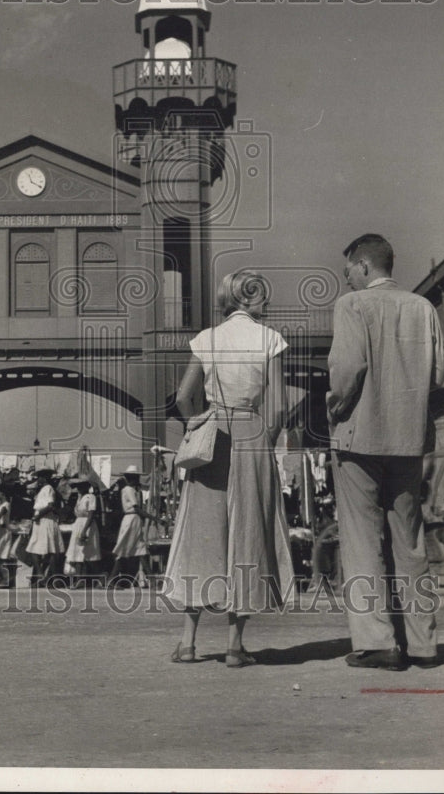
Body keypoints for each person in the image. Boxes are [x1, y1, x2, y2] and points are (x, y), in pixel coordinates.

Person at [327, 234, 444, 671]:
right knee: (410, 542)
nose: (347, 278)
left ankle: (378, 642)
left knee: (361, 542)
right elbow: (437, 373)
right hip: (409, 439)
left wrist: (334, 408)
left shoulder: (352, 306)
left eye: (348, 270)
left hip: (359, 436)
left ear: (363, 265)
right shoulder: (423, 307)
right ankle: (423, 643)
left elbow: (347, 370)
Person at [164, 270, 294, 666]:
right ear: (250, 299)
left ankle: (188, 642)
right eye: (262, 295)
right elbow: (278, 409)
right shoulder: (269, 339)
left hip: (213, 434)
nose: (267, 302)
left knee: (202, 535)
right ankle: (235, 645)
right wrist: (263, 440)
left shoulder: (207, 338)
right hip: (252, 432)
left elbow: (183, 397)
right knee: (248, 534)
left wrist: (196, 423)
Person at [108, 466, 157, 588]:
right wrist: (155, 519)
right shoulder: (128, 490)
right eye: (136, 477)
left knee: (140, 550)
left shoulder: (132, 490)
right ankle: (111, 580)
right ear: (132, 478)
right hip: (131, 520)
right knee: (124, 550)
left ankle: (152, 580)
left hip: (134, 520)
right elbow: (137, 508)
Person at [26, 468, 64, 584]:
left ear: (44, 478)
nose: (38, 480)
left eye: (39, 477)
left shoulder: (48, 489)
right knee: (40, 549)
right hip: (41, 521)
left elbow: (50, 505)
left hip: (45, 520)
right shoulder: (43, 490)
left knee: (47, 549)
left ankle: (45, 575)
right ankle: (44, 576)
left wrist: (38, 516)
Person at [65, 477, 101, 586]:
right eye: (78, 486)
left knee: (88, 552)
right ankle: (79, 579)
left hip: (87, 525)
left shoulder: (91, 497)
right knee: (77, 552)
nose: (79, 488)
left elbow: (91, 514)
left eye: (82, 486)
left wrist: (85, 530)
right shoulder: (79, 498)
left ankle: (98, 577)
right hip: (78, 524)